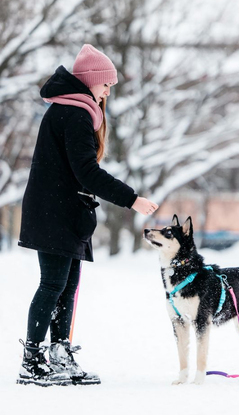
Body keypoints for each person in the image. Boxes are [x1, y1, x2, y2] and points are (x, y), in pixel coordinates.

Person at [17, 44, 158, 387]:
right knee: (53, 284)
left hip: (64, 212)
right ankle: (32, 360)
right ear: (91, 81)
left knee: (67, 287)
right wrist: (132, 199)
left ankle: (60, 353)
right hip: (55, 212)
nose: (108, 91)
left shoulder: (73, 111)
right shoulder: (74, 114)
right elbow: (86, 172)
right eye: (106, 84)